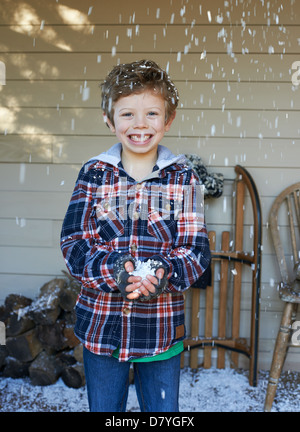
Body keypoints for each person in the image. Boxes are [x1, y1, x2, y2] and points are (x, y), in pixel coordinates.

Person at [60, 59, 211, 412]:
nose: (140, 125)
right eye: (127, 114)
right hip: (101, 326)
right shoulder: (94, 174)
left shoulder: (182, 178)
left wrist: (163, 273)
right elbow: (74, 244)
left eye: (152, 114)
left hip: (159, 330)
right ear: (109, 120)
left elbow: (196, 250)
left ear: (168, 119)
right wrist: (116, 270)